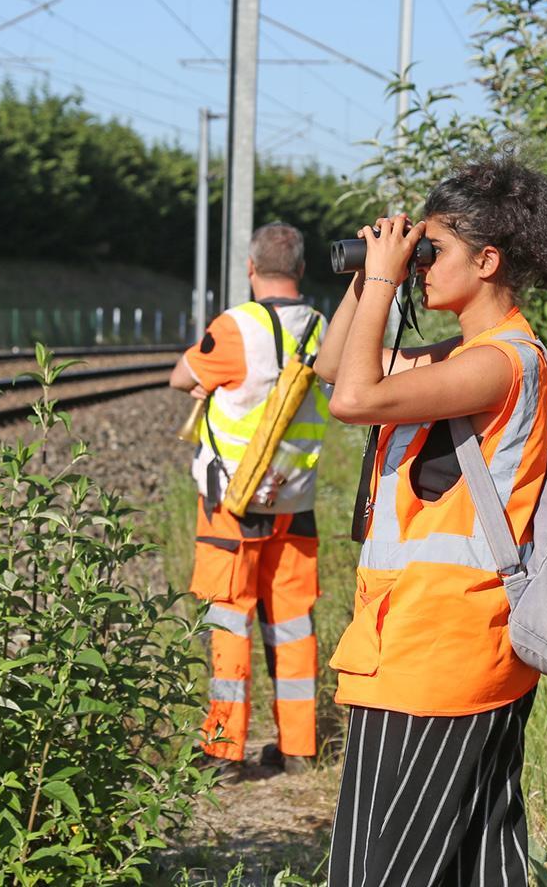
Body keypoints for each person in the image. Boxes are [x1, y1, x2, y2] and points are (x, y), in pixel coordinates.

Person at [313, 154, 547, 886]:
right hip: (451, 652)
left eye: (435, 252)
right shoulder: (466, 354)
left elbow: (354, 402)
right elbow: (338, 371)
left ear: (488, 259)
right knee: (477, 867)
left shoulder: (502, 363)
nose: (421, 266)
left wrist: (385, 280)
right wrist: (368, 277)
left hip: (433, 660)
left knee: (379, 872)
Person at [169, 223, 330, 782]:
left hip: (230, 506)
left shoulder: (234, 326)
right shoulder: (321, 328)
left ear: (250, 267)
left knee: (228, 618)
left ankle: (222, 751)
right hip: (295, 502)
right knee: (291, 621)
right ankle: (300, 747)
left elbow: (179, 376)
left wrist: (207, 386)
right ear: (302, 270)